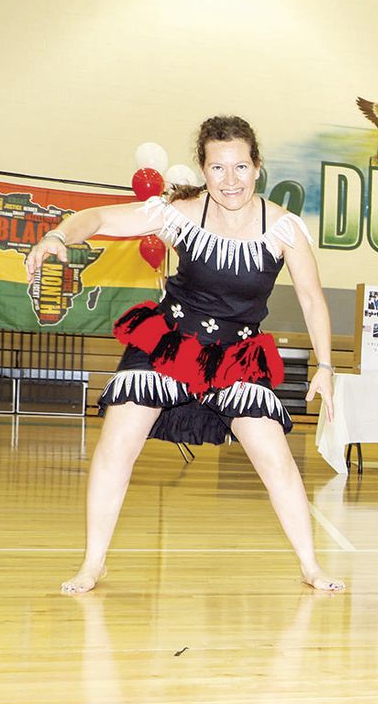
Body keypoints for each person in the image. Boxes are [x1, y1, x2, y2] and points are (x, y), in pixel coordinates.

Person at [24, 115, 345, 594]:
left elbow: (312, 299)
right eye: (218, 168)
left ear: (258, 167)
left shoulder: (283, 229)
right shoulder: (180, 213)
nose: (230, 180)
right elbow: (102, 218)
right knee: (118, 443)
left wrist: (325, 365)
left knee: (275, 457)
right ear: (203, 169)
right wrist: (56, 236)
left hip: (235, 354)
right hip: (169, 341)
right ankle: (93, 563)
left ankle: (310, 565)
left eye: (240, 167)